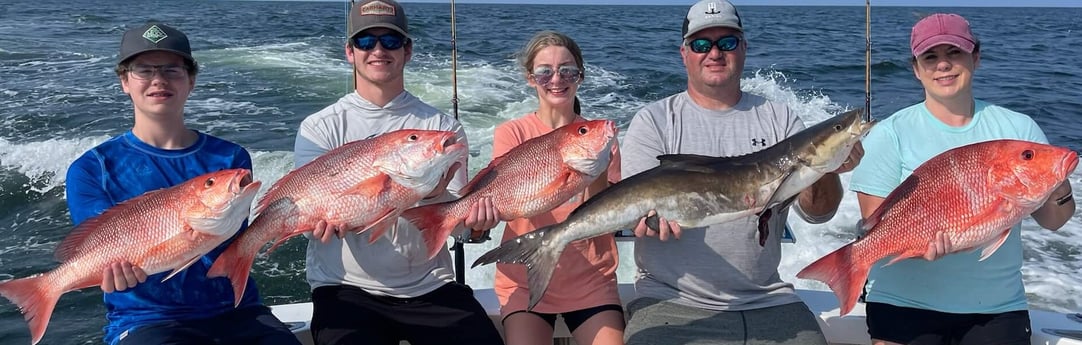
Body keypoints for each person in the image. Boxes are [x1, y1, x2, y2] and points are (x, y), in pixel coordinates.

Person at [619, 1, 863, 344]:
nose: (715, 53)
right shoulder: (654, 121)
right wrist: (648, 221)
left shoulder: (781, 120)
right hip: (669, 299)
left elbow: (819, 215)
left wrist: (829, 168)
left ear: (744, 48)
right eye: (702, 44)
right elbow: (639, 212)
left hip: (769, 299)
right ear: (684, 53)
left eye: (727, 42)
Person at [64, 22, 299, 345]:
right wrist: (111, 273)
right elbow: (98, 245)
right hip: (146, 318)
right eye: (143, 70)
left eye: (172, 70)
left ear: (191, 80)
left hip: (236, 309)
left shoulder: (230, 159)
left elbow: (229, 241)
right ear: (124, 81)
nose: (158, 80)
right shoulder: (92, 169)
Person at [849, 13, 1076, 345]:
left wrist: (1057, 176)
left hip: (997, 310)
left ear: (976, 57)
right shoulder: (889, 134)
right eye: (931, 57)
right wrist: (917, 240)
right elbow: (876, 224)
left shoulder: (1019, 129)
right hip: (903, 305)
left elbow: (1055, 221)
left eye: (954, 52)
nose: (943, 65)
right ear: (916, 69)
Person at [292, 1, 504, 344]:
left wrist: (476, 228)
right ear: (349, 52)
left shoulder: (442, 130)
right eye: (365, 42)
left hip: (431, 285)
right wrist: (318, 225)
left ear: (407, 51)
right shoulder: (320, 128)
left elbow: (462, 230)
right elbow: (308, 217)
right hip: (345, 289)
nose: (378, 50)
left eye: (390, 41)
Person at [492, 30, 625, 345]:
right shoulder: (511, 133)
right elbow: (508, 202)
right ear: (530, 79)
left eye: (567, 70)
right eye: (544, 72)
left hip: (592, 280)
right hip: (523, 278)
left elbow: (604, 216)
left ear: (580, 76)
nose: (556, 78)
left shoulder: (601, 139)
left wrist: (598, 169)